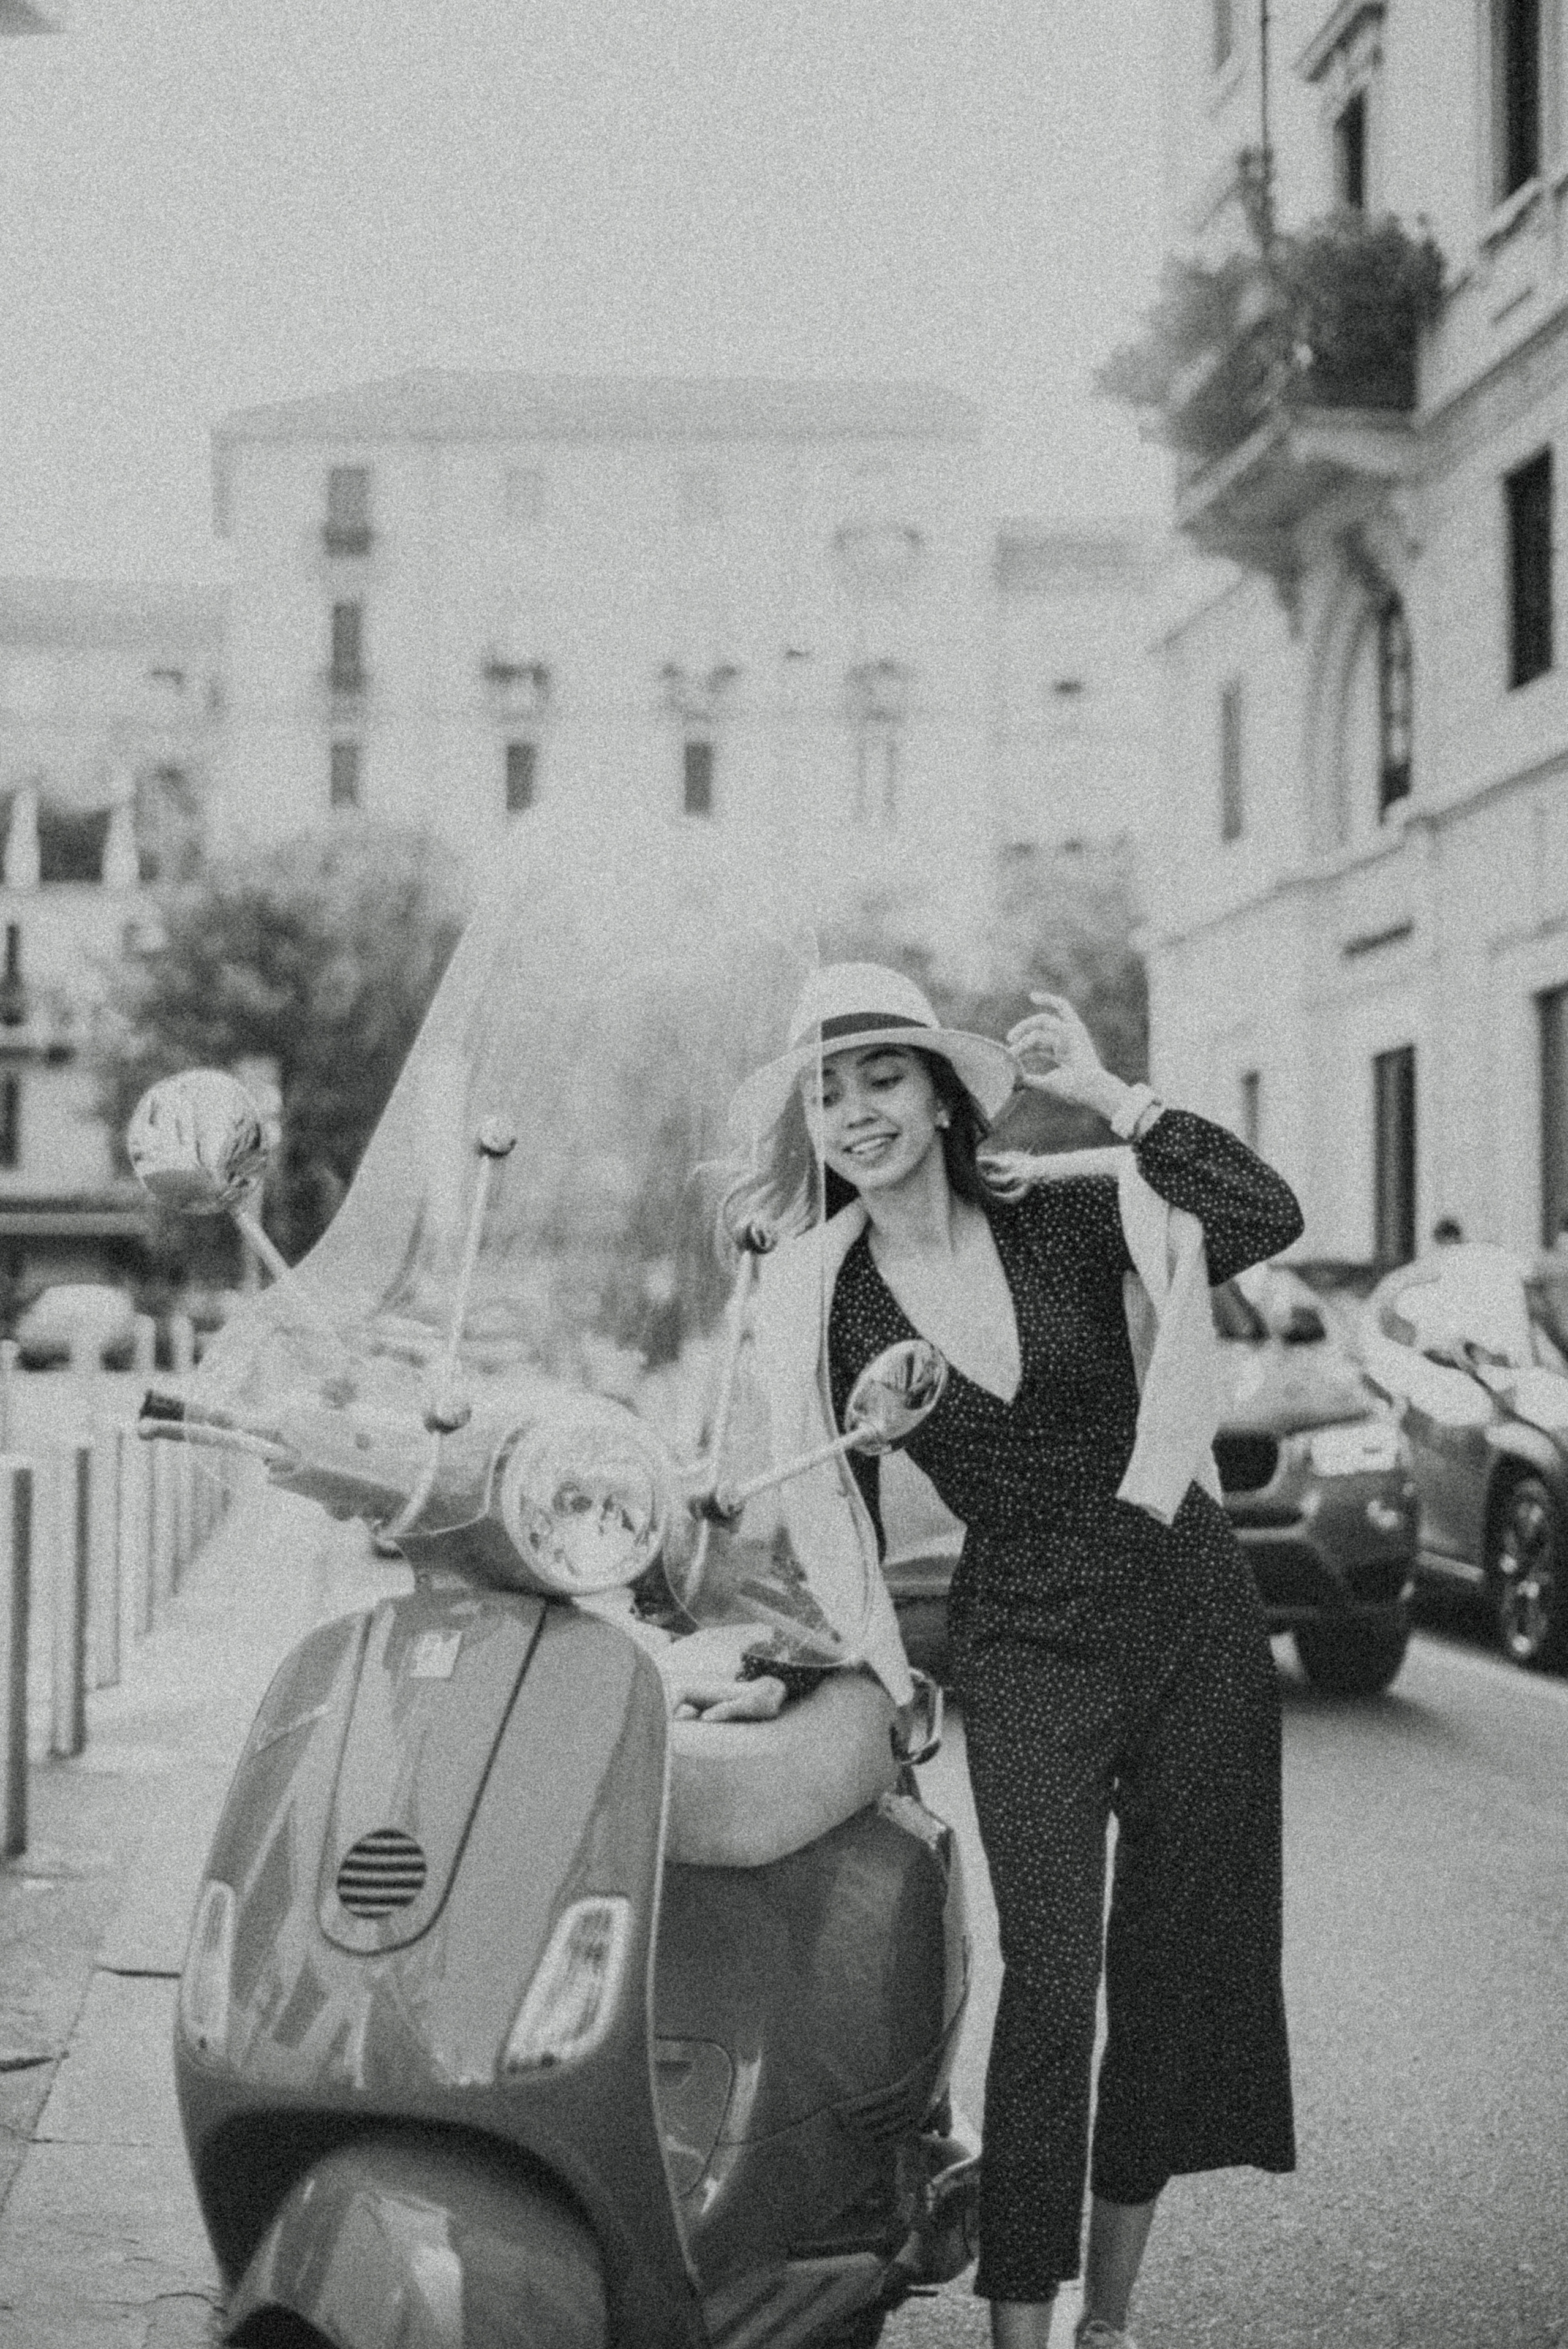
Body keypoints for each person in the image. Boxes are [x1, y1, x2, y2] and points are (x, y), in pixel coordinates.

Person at [725, 964, 1303, 2349]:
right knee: (1048, 1983)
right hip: (1025, 1634)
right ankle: (1020, 2335)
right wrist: (828, 1655)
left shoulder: (1070, 1204)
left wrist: (1110, 1092)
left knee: (1167, 1970)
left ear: (939, 1097)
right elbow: (817, 1523)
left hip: (1182, 1605)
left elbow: (1261, 1214)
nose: (854, 1110)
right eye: (826, 1090)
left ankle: (1108, 2324)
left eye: (881, 1077)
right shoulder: (818, 1298)